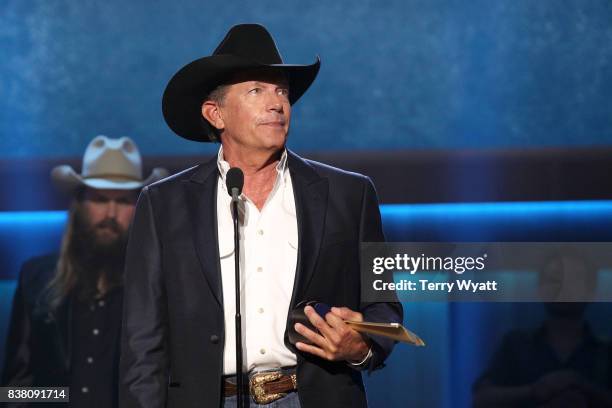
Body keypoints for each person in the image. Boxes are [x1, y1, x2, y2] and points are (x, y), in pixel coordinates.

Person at [119, 24, 403, 408]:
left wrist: (362, 347)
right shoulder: (164, 205)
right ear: (215, 113)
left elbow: (384, 304)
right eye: (256, 90)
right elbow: (142, 341)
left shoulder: (350, 194)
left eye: (282, 90)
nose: (277, 103)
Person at [1, 136, 167, 408]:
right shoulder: (36, 278)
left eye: (123, 201)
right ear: (79, 205)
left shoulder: (158, 283)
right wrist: (58, 399)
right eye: (100, 199)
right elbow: (14, 389)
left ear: (138, 208)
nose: (111, 213)